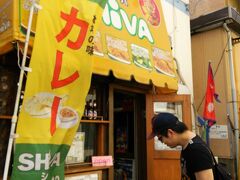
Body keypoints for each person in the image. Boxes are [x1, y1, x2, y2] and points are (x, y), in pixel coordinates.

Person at [148, 112, 214, 180]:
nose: (162, 142)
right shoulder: (187, 145)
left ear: (170, 132)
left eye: (160, 138)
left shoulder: (197, 151)